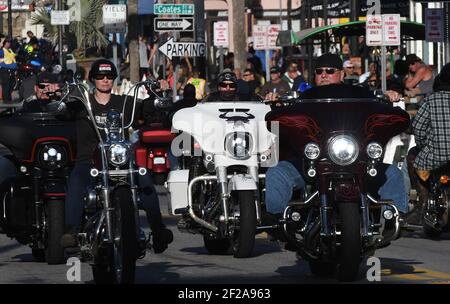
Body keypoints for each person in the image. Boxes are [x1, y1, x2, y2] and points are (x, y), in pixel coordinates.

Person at [263, 53, 408, 231]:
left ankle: (395, 221)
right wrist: (276, 104)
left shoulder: (360, 94)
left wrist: (389, 97)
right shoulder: (303, 98)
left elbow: (376, 106)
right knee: (277, 173)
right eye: (319, 71)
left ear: (341, 74)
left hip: (356, 159)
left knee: (393, 173)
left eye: (330, 70)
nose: (324, 74)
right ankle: (279, 222)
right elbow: (282, 119)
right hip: (313, 162)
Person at [60, 59, 173, 254]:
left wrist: (159, 93)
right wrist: (59, 98)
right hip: (89, 161)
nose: (105, 80)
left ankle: (158, 230)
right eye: (100, 76)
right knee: (76, 181)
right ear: (93, 79)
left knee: (145, 181)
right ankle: (72, 231)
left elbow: (149, 110)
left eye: (109, 76)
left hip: (121, 162)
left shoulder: (124, 103)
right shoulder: (82, 104)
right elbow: (62, 112)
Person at [406, 63, 450, 224]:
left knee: (412, 156)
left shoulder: (432, 99)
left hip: (435, 156)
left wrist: (424, 145)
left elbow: (417, 126)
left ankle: (422, 203)